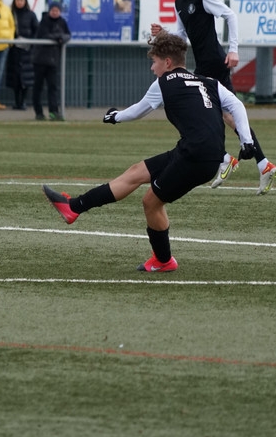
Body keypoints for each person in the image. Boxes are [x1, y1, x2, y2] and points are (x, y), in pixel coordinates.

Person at [42, 33, 256, 273]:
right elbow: (237, 105)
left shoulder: (164, 82)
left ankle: (163, 260)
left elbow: (137, 111)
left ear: (167, 62)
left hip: (195, 157)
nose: (152, 68)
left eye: (154, 62)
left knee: (151, 202)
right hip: (198, 152)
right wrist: (246, 141)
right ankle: (73, 207)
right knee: (136, 172)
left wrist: (114, 116)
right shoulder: (207, 82)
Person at [150, 0, 276, 195]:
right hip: (204, 65)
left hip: (214, 63)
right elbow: (182, 35)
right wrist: (163, 33)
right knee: (224, 115)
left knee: (206, 112)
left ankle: (230, 159)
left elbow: (231, 15)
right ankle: (260, 164)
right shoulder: (179, 2)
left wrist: (233, 49)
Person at [31, 1, 71, 121]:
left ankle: (54, 112)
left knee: (53, 87)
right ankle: (38, 112)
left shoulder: (62, 22)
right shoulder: (44, 21)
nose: (55, 12)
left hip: (53, 61)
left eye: (57, 10)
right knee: (38, 87)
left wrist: (62, 38)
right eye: (53, 10)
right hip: (40, 60)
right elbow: (44, 35)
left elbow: (68, 35)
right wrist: (58, 38)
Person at [6, 0, 37, 110]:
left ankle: (23, 101)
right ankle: (17, 101)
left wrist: (30, 42)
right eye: (17, 0)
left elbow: (36, 30)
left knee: (26, 77)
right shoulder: (10, 14)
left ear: (25, 2)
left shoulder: (31, 15)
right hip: (14, 50)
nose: (19, 2)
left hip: (27, 51)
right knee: (15, 76)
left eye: (21, 0)